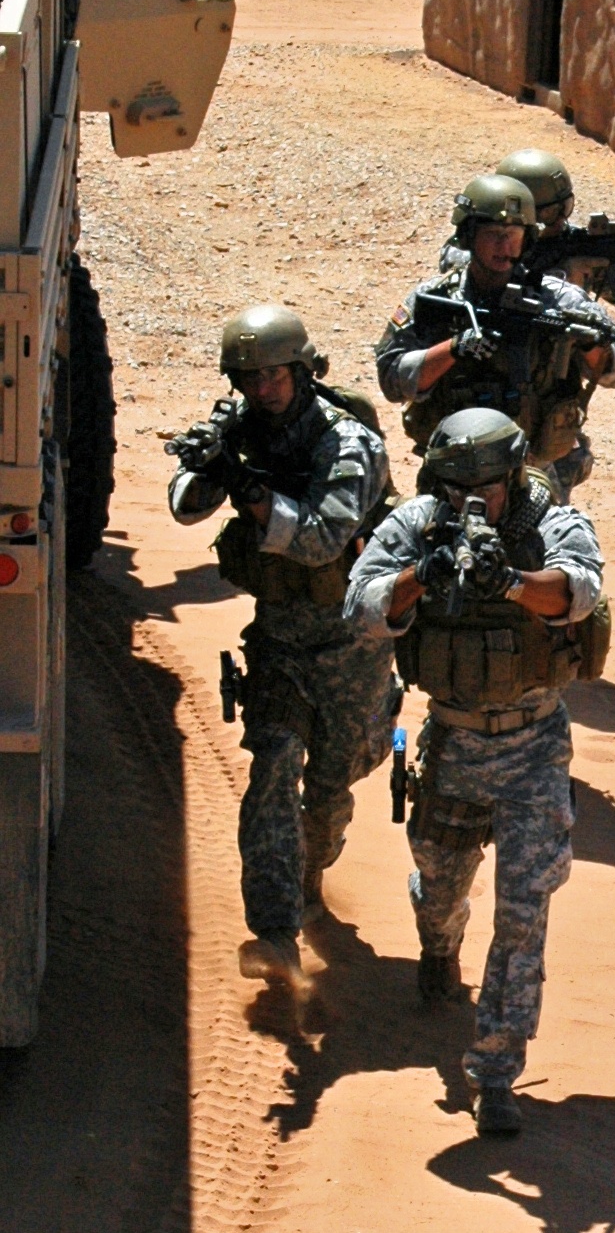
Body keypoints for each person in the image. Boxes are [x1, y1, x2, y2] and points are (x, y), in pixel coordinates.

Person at [344, 408, 606, 1137]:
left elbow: (580, 589)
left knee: (523, 909)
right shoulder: (418, 522)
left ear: (511, 479)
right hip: (455, 744)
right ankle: (437, 944)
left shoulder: (548, 517)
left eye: (484, 489)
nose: (470, 503)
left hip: (532, 746)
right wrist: (417, 578)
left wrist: (515, 583)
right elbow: (361, 608)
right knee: (440, 884)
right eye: (456, 489)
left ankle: (496, 1069)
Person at [167, 304, 401, 987]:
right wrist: (211, 463)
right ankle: (273, 931)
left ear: (301, 370)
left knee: (330, 791)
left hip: (352, 644)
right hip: (278, 641)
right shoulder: (243, 429)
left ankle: (307, 876)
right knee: (271, 762)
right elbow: (185, 505)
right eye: (249, 379)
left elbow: (323, 540)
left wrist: (250, 487)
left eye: (273, 375)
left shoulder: (346, 443)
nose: (261, 390)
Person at [375, 173, 615, 504]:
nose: (505, 246)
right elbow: (392, 378)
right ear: (469, 236)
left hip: (533, 471)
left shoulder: (559, 300)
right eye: (494, 235)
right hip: (452, 470)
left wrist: (589, 345)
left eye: (514, 235)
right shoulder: (435, 297)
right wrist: (455, 348)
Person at [437, 149, 615, 499]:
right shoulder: (474, 252)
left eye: (560, 211)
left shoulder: (574, 253)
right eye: (547, 215)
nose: (558, 223)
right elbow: (458, 267)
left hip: (546, 396)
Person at [439, 148, 615, 318]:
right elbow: (464, 274)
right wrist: (562, 277)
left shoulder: (569, 243)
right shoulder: (474, 243)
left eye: (565, 208)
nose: (560, 220)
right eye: (549, 213)